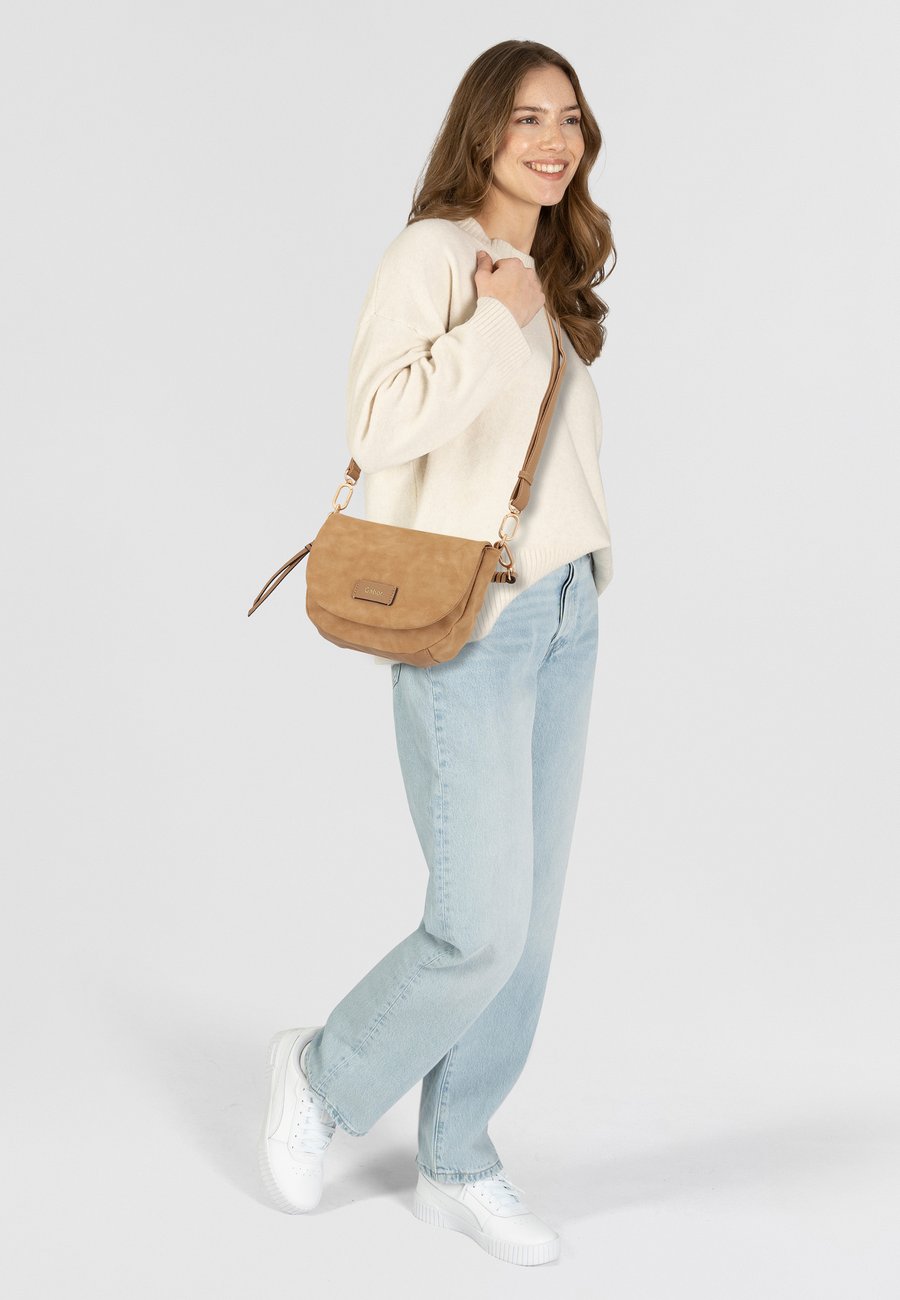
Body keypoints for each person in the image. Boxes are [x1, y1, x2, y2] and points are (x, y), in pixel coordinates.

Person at [258, 38, 616, 1267]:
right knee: (478, 924)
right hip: (471, 624)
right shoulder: (434, 256)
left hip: (563, 614)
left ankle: (458, 1157)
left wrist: (586, 570)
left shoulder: (545, 269)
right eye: (528, 118)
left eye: (569, 118)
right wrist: (495, 323)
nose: (555, 141)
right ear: (483, 131)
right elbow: (380, 422)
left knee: (531, 928)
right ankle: (321, 1074)